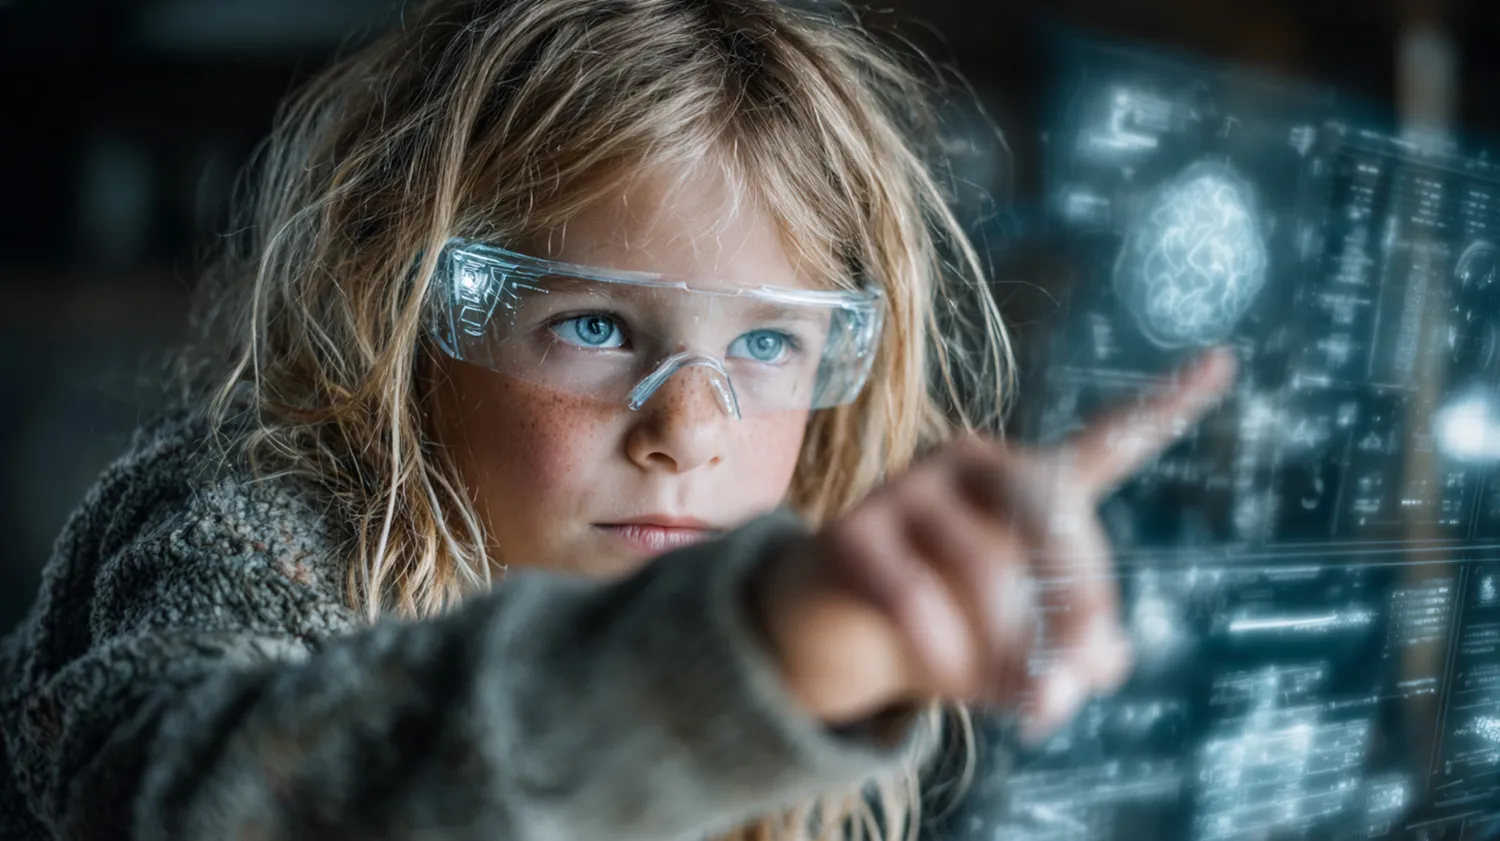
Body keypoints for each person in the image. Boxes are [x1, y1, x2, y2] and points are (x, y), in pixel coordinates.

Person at [0, 0, 1236, 839]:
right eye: (595, 327)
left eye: (765, 344)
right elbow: (193, 798)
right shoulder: (241, 521)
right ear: (403, 309)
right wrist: (755, 652)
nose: (689, 432)